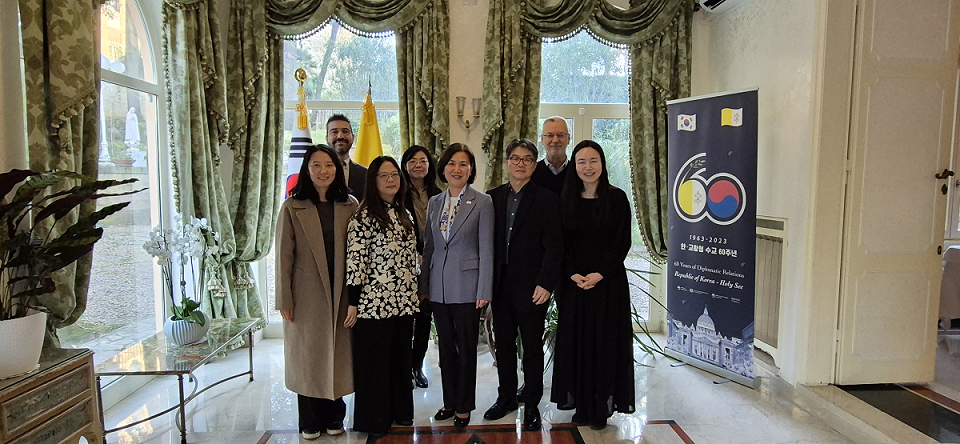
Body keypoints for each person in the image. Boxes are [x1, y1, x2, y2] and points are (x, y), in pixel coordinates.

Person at [550, 140, 635, 430]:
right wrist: (572, 273)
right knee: (577, 344)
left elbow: (621, 241)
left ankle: (601, 406)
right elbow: (559, 243)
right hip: (574, 286)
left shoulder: (617, 198)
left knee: (604, 344)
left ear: (602, 164)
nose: (588, 167)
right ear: (574, 166)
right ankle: (582, 405)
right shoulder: (565, 199)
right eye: (581, 162)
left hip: (608, 285)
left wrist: (600, 273)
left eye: (593, 161)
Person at [276, 144, 358, 440]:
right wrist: (284, 298)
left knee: (337, 355)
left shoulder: (350, 204)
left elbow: (359, 255)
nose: (323, 171)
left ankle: (335, 417)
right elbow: (284, 256)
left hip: (341, 293)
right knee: (308, 357)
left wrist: (356, 298)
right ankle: (309, 419)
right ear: (307, 170)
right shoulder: (292, 207)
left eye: (329, 165)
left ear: (337, 169)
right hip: (306, 293)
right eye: (316, 165)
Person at [483, 139, 563, 431]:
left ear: (534, 164)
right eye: (515, 158)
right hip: (499, 287)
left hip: (533, 288)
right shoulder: (491, 198)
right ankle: (505, 397)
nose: (520, 163)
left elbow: (555, 246)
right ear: (506, 162)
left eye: (527, 159)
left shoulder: (546, 198)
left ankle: (531, 403)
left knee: (531, 348)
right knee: (502, 347)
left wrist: (546, 283)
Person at [419, 143, 494, 430]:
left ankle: (464, 406)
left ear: (471, 169)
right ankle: (449, 402)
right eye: (452, 163)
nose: (457, 169)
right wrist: (424, 285)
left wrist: (484, 290)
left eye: (463, 164)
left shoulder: (482, 202)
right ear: (443, 168)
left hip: (468, 287)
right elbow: (429, 248)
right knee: (446, 350)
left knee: (466, 349)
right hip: (438, 288)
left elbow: (487, 249)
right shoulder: (435, 202)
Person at [346, 156, 420, 437]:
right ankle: (374, 420)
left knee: (400, 361)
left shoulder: (404, 213)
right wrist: (353, 302)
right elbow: (356, 262)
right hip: (372, 305)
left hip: (402, 302)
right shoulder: (363, 217)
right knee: (374, 366)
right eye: (383, 175)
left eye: (394, 175)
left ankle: (400, 413)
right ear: (373, 181)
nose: (391, 180)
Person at [401, 145, 442, 389]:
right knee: (407, 319)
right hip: (408, 265)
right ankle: (404, 366)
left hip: (435, 265)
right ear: (405, 165)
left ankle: (417, 365)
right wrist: (415, 254)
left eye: (423, 160)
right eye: (413, 160)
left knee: (425, 317)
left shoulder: (439, 194)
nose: (419, 164)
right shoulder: (399, 194)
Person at [326, 114, 367, 197]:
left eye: (345, 131)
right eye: (334, 132)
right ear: (327, 138)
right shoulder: (317, 174)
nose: (340, 136)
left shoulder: (366, 174)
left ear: (353, 137)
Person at [531, 116, 571, 195]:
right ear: (542, 139)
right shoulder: (531, 172)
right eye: (550, 135)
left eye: (560, 135)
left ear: (568, 139)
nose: (555, 140)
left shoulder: (577, 172)